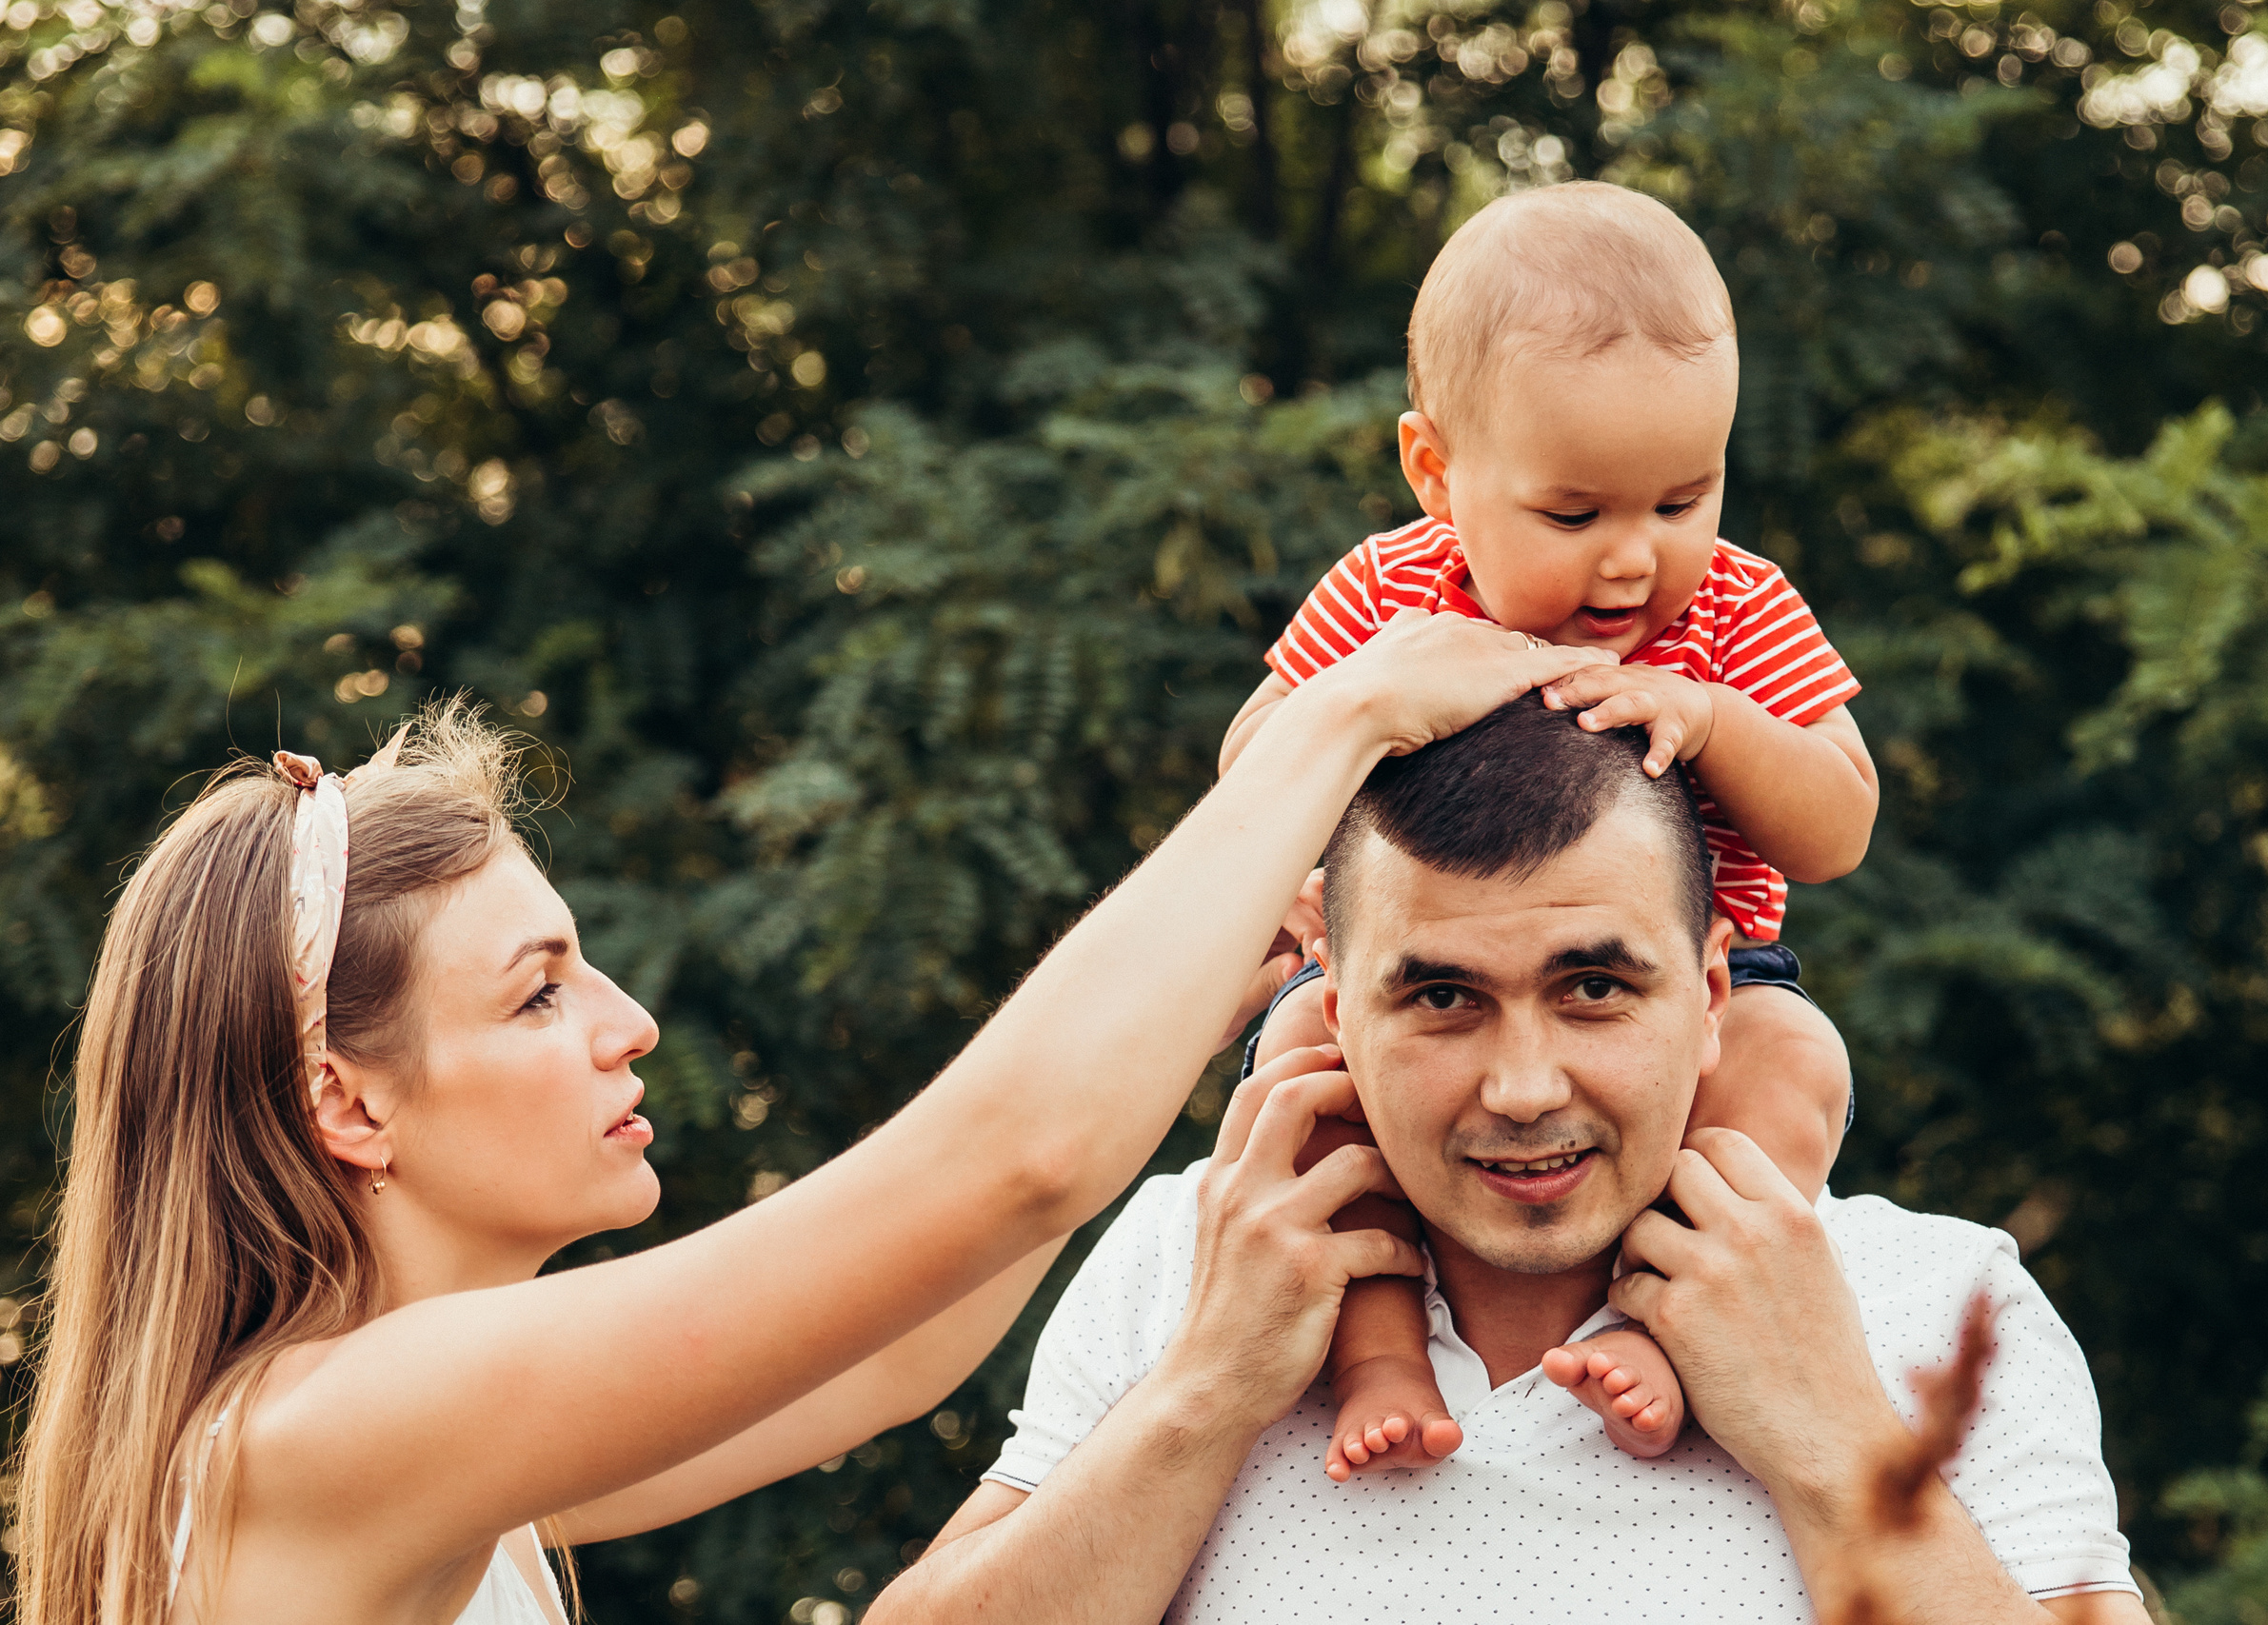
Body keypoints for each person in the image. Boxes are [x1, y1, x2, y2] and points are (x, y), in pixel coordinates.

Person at [9, 613, 1608, 1625]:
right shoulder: (335, 1432)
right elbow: (1012, 1159)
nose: (631, 1025)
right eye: (539, 993)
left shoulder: (409, 1449)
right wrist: (1344, 718)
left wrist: (1207, 994)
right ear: (347, 1101)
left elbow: (897, 1352)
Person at [876, 699, 2147, 1624]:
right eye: (1439, 999)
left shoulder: (1940, 1297)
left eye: (1594, 986)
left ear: (1714, 993)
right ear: (1332, 1010)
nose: (1524, 1087)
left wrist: (1833, 1441)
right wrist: (1204, 1392)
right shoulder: (1198, 1251)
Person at [1216, 179, 1878, 1478]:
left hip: (1701, 985)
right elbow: (1256, 756)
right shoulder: (1392, 592)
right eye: (1574, 516)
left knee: (1793, 1064)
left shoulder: (1738, 613)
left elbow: (1839, 825)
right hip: (1416, 990)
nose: (1634, 562)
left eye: (1682, 502)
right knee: (1300, 1063)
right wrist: (1295, 851)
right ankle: (1378, 1350)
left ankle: (1664, 1323)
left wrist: (1716, 719)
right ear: (1436, 471)